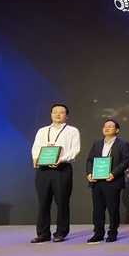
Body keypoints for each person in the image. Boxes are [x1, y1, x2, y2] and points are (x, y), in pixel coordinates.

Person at [30, 104, 81, 243]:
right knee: (43, 202)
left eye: (61, 112)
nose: (58, 114)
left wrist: (61, 159)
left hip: (62, 169)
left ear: (67, 116)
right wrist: (36, 158)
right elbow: (36, 147)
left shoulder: (72, 131)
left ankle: (61, 232)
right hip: (43, 169)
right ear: (51, 114)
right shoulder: (42, 131)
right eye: (55, 112)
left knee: (62, 202)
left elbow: (75, 149)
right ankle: (43, 233)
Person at [85, 120, 129, 243]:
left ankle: (113, 232)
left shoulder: (123, 144)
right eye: (105, 126)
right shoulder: (97, 144)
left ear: (117, 130)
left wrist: (113, 173)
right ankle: (98, 233)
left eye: (110, 126)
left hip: (112, 180)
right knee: (97, 209)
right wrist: (89, 173)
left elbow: (126, 161)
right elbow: (89, 161)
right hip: (97, 181)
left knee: (113, 208)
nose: (106, 128)